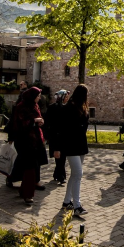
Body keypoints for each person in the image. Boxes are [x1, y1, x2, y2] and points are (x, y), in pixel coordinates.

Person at [9, 87, 46, 205]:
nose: (39, 98)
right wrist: (34, 120)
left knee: (29, 166)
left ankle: (21, 187)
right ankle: (28, 194)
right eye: (38, 96)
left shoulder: (35, 106)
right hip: (24, 140)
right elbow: (20, 123)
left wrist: (40, 121)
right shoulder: (21, 107)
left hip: (35, 140)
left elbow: (38, 119)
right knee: (30, 167)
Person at [59, 84, 90, 217]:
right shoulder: (70, 107)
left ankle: (67, 202)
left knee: (74, 174)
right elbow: (65, 127)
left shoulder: (82, 107)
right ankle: (77, 205)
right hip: (71, 144)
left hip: (80, 143)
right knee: (78, 173)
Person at [46, 89, 69, 185]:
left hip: (63, 136)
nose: (67, 98)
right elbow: (49, 122)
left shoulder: (66, 107)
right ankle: (61, 176)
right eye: (66, 97)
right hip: (56, 136)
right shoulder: (53, 108)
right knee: (59, 157)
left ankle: (57, 174)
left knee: (61, 157)